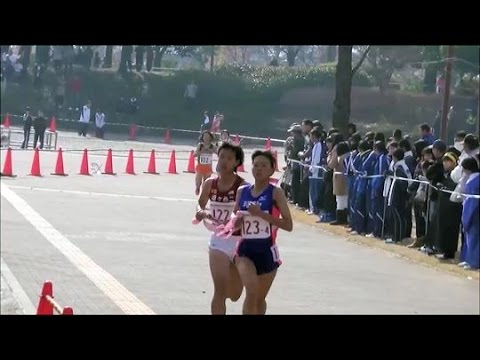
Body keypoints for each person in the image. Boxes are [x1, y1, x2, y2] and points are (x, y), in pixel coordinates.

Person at [233, 150, 293, 315]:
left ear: (272, 170)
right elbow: (234, 220)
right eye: (255, 165)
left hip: (267, 251)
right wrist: (236, 223)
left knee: (259, 300)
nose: (258, 169)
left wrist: (262, 215)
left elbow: (288, 225)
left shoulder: (275, 192)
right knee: (251, 292)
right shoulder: (242, 191)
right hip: (245, 250)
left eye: (263, 165)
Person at [194, 143, 247, 314]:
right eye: (222, 156)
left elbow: (245, 212)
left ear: (236, 162)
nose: (224, 161)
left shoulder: (243, 186)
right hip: (219, 241)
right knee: (220, 291)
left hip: (240, 242)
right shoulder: (210, 183)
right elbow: (200, 204)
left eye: (229, 158)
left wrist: (239, 220)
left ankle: (233, 266)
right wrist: (201, 212)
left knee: (235, 295)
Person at [459, 156, 480, 270]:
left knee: (474, 238)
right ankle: (467, 258)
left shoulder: (476, 181)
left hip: (474, 211)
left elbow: (473, 200)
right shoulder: (471, 179)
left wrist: (468, 214)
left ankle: (474, 262)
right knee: (468, 237)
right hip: (468, 207)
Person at [194, 131, 217, 195]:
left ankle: (204, 192)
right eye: (204, 136)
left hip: (208, 166)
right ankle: (197, 188)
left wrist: (211, 151)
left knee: (206, 181)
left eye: (207, 136)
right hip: (200, 165)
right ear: (202, 137)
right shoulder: (200, 145)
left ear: (210, 137)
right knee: (198, 179)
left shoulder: (212, 146)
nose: (206, 138)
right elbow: (194, 155)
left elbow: (218, 153)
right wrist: (201, 151)